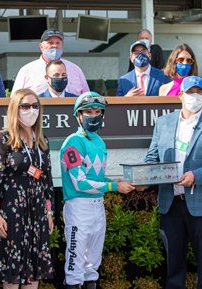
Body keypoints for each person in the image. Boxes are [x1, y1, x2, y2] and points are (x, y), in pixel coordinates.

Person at [144, 76, 202, 289]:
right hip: (171, 203)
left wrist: (196, 175)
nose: (194, 96)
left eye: (199, 92)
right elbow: (152, 157)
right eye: (190, 92)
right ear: (180, 95)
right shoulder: (164, 122)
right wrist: (144, 177)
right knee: (173, 266)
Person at [60, 92, 134, 289]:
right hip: (78, 207)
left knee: (92, 264)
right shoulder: (73, 142)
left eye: (97, 112)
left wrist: (113, 181)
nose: (93, 115)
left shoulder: (99, 142)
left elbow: (97, 179)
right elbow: (81, 183)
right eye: (88, 112)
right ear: (78, 115)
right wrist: (114, 186)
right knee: (75, 264)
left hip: (97, 207)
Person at [0, 88, 54, 288]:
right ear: (15, 109)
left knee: (33, 272)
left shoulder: (42, 140)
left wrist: (49, 212)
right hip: (12, 211)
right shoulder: (3, 139)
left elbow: (46, 180)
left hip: (37, 211)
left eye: (35, 106)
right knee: (12, 272)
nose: (31, 110)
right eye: (25, 106)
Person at [12, 28, 89, 96]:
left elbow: (86, 97)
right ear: (41, 46)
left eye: (58, 43)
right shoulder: (27, 71)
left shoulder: (75, 69)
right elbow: (15, 100)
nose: (55, 46)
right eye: (50, 43)